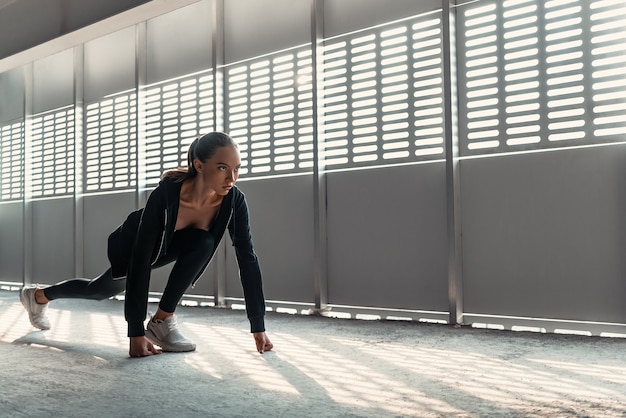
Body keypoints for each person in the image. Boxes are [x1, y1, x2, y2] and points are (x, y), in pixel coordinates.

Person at [19, 132, 273, 357]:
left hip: (176, 243)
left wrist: (258, 325)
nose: (232, 177)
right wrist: (135, 332)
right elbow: (141, 257)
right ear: (199, 165)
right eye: (222, 168)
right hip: (135, 244)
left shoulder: (234, 201)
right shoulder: (166, 193)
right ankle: (38, 296)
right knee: (98, 290)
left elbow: (247, 258)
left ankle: (163, 320)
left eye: (237, 168)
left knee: (203, 240)